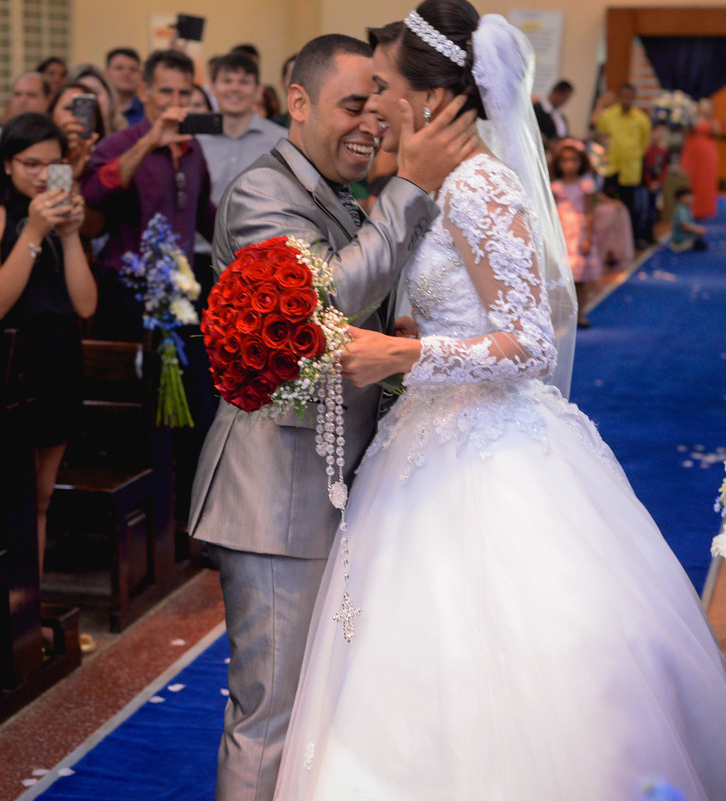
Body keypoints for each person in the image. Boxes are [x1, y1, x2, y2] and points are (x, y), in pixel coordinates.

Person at [273, 5, 726, 799]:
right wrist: (418, 328)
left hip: (490, 448)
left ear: (429, 96)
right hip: (426, 439)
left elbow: (531, 343)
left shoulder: (477, 184)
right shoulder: (435, 181)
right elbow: (472, 308)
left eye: (385, 86)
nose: (376, 104)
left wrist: (406, 353)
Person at [187, 31, 480, 801]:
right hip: (275, 496)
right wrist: (408, 191)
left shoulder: (334, 196)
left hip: (339, 483)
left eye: (377, 108)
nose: (372, 124)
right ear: (298, 101)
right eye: (354, 105)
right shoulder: (260, 193)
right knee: (270, 713)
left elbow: (355, 330)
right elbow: (317, 305)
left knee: (326, 705)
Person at [0, 112, 96, 582]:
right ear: (6, 164)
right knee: (5, 496)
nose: (43, 175)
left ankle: (27, 609)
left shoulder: (60, 218)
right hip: (10, 364)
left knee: (40, 496)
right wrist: (35, 232)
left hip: (59, 359)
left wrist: (70, 234)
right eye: (31, 164)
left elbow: (85, 302)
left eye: (54, 164)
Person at [81, 48, 215, 341]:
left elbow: (204, 214)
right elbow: (93, 194)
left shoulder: (192, 148)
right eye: (166, 92)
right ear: (144, 91)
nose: (176, 103)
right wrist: (150, 142)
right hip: (127, 292)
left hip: (182, 290)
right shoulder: (118, 144)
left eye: (184, 93)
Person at [195, 51, 288, 204]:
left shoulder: (282, 141)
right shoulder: (196, 140)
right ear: (212, 88)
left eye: (244, 82)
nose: (235, 88)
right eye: (227, 81)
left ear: (258, 91)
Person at [550, 138, 601, 326]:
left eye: (574, 160)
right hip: (561, 233)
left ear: (581, 162)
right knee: (561, 278)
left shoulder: (585, 185)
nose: (569, 165)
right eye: (564, 160)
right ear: (558, 163)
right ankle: (562, 314)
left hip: (578, 234)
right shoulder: (555, 187)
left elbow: (589, 212)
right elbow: (552, 213)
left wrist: (588, 238)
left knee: (579, 279)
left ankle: (581, 313)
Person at [594, 82, 649, 247]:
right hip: (609, 167)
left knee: (630, 208)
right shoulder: (608, 115)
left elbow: (644, 143)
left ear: (634, 98)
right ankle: (606, 242)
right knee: (607, 206)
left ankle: (626, 243)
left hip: (630, 169)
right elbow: (600, 137)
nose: (626, 99)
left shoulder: (641, 119)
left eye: (629, 96)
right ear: (619, 97)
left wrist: (634, 156)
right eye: (623, 96)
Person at [679, 97, 720, 219]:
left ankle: (703, 210)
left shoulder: (712, 120)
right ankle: (688, 209)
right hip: (692, 152)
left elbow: (717, 132)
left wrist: (710, 118)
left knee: (705, 180)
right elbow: (685, 130)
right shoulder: (692, 118)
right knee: (692, 179)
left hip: (707, 153)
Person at [105, 47, 144, 128]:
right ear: (106, 73)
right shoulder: (99, 109)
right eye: (119, 68)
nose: (126, 73)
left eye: (133, 69)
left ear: (141, 75)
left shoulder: (148, 111)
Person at [669, 186, 707, 252]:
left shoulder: (685, 208)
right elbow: (684, 226)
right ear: (681, 198)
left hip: (683, 240)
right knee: (702, 245)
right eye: (689, 197)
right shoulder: (681, 210)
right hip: (681, 242)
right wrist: (698, 230)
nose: (692, 198)